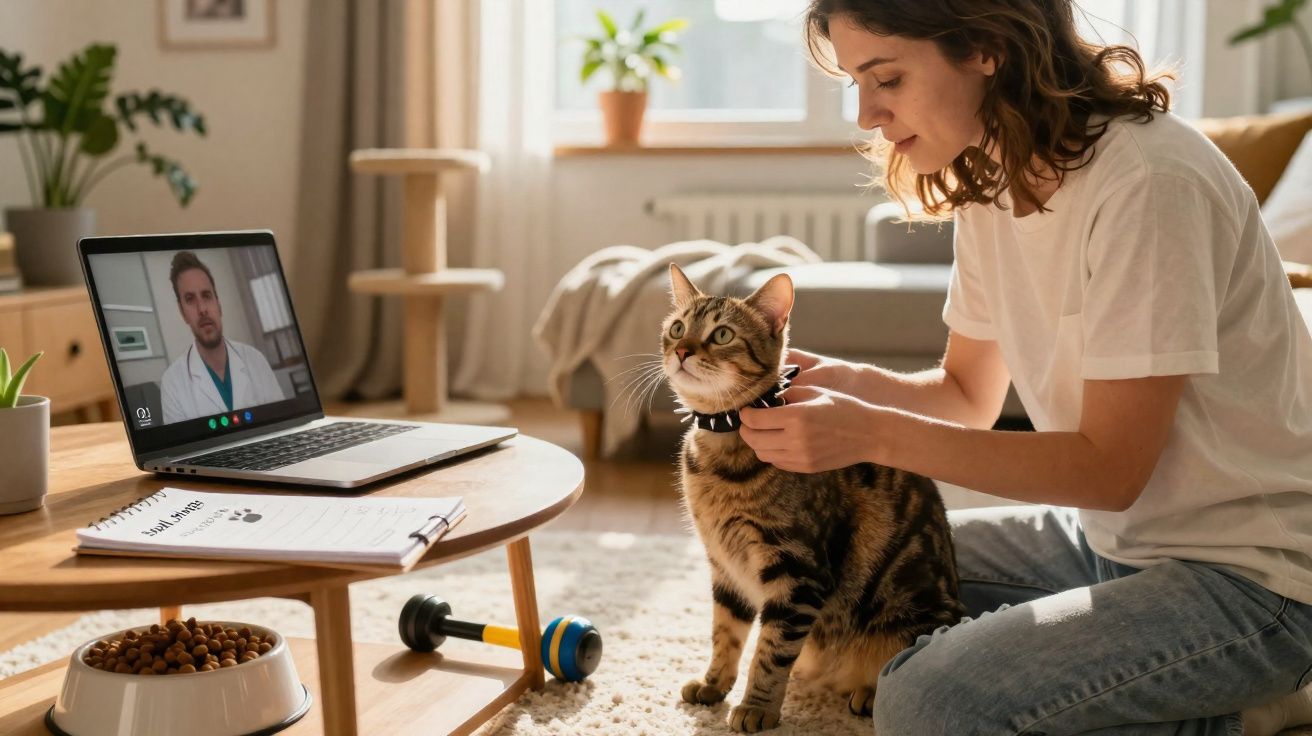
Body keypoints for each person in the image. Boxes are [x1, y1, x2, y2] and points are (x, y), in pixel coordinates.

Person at [736, 1, 1312, 734]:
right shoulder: (992, 181)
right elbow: (966, 395)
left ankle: (1257, 707)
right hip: (1110, 542)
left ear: (985, 47)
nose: (866, 115)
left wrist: (870, 435)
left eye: (887, 79)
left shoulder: (1148, 181)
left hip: (1257, 584)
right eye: (857, 83)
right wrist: (844, 383)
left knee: (927, 702)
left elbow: (1110, 470)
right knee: (845, 575)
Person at [160, 251, 286, 424]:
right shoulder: (172, 383)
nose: (202, 309)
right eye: (190, 299)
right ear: (183, 313)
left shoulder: (256, 360)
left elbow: (282, 424)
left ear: (218, 305)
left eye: (206, 296)